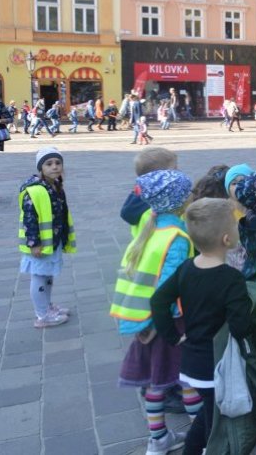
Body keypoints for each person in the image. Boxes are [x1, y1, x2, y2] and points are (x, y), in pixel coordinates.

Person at [151, 198, 252, 455]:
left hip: (191, 363)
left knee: (208, 414)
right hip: (215, 367)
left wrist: (173, 337)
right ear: (227, 239)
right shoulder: (231, 279)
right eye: (235, 226)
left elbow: (158, 301)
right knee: (214, 425)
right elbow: (240, 326)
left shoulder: (186, 268)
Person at [110, 169, 200, 455]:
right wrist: (163, 326)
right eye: (187, 192)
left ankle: (158, 439)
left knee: (155, 381)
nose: (191, 196)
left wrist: (147, 324)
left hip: (144, 320)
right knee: (188, 380)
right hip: (169, 323)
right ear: (177, 201)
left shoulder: (149, 230)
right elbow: (168, 287)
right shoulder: (177, 237)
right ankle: (202, 437)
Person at [19, 147, 76, 327]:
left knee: (47, 275)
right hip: (40, 245)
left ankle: (47, 306)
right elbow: (29, 219)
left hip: (52, 241)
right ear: (41, 168)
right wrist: (34, 243)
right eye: (49, 164)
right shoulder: (35, 190)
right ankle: (42, 316)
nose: (54, 167)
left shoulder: (55, 186)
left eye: (58, 163)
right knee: (39, 277)